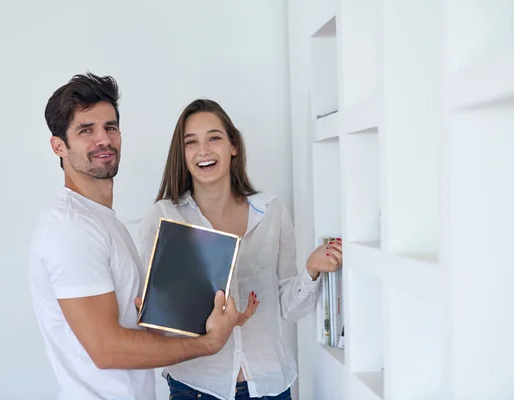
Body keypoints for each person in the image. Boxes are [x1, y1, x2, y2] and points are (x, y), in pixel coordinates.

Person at [28, 73, 249, 400]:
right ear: (59, 145)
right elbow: (107, 350)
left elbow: (126, 325)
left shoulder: (103, 221)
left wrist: (170, 314)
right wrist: (208, 344)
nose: (103, 139)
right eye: (86, 130)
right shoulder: (70, 228)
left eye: (110, 127)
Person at [138, 99, 343, 400]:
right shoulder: (165, 218)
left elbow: (289, 308)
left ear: (233, 146)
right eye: (191, 142)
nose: (204, 150)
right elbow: (158, 327)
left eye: (214, 138)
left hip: (270, 385)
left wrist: (311, 269)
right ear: (182, 155)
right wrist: (209, 321)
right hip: (196, 388)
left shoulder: (271, 212)